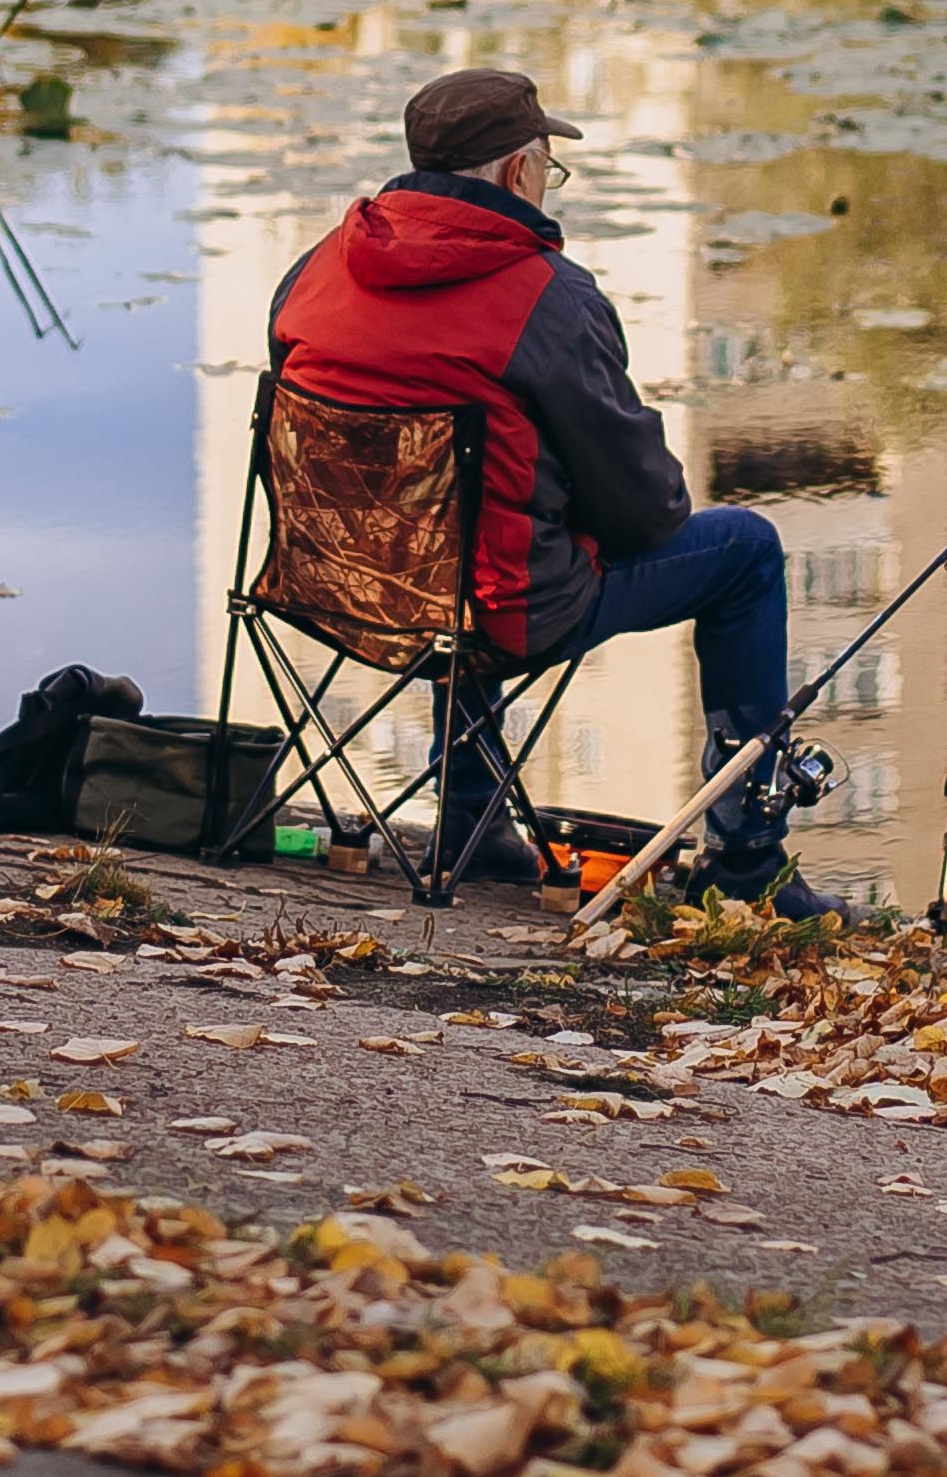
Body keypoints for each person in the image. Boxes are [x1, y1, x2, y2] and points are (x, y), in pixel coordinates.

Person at [261, 65, 830, 910]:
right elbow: (647, 509)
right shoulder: (548, 298)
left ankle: (471, 821)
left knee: (459, 533)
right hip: (496, 616)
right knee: (745, 549)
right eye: (546, 166)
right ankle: (748, 861)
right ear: (518, 171)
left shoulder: (318, 267)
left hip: (332, 590)